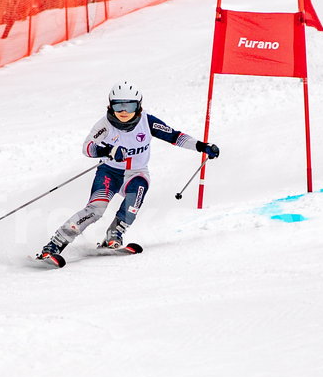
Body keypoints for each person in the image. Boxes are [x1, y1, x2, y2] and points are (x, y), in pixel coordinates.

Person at [39, 82, 219, 259]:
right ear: (110, 106)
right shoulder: (104, 125)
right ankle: (55, 244)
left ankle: (114, 234)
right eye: (119, 106)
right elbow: (87, 147)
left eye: (130, 105)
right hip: (109, 173)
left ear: (138, 106)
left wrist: (202, 146)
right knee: (96, 210)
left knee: (134, 199)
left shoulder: (147, 121)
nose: (124, 111)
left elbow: (174, 136)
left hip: (136, 173)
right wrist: (107, 150)